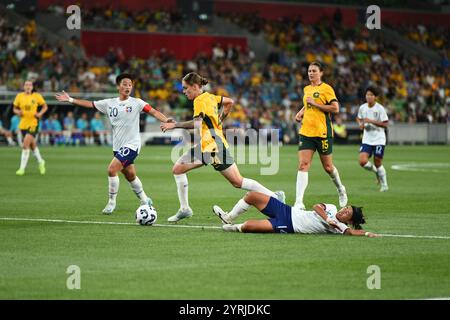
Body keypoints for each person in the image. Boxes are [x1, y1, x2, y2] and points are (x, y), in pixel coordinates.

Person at [161, 72, 285, 222]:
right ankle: (185, 209)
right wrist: (220, 119)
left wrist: (174, 125)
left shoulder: (199, 100)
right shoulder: (211, 97)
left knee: (237, 182)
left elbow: (196, 124)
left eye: (185, 88)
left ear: (195, 86)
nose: (184, 91)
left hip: (213, 146)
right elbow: (229, 102)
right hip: (206, 144)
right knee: (178, 169)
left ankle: (274, 196)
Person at [56, 73, 173, 214]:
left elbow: (153, 111)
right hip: (117, 146)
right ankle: (145, 199)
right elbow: (90, 104)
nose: (128, 87)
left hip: (132, 144)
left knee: (112, 170)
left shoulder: (137, 103)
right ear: (118, 86)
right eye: (125, 84)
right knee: (130, 175)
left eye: (130, 85)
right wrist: (70, 99)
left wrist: (166, 120)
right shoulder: (109, 103)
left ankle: (111, 203)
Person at [294, 61, 347, 210]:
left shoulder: (326, 89)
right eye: (309, 70)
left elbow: (335, 108)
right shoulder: (306, 89)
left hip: (322, 132)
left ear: (321, 73)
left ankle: (340, 189)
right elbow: (308, 103)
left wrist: (315, 104)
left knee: (328, 167)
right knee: (303, 165)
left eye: (314, 71)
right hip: (306, 132)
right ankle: (299, 201)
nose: (311, 73)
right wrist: (301, 111)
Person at [212, 191, 379, 237]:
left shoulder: (340, 227)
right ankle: (228, 218)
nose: (343, 210)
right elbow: (316, 206)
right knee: (251, 195)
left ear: (349, 220)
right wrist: (327, 217)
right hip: (289, 211)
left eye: (347, 212)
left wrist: (367, 233)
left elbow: (351, 232)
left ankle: (234, 227)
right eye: (346, 208)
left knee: (248, 226)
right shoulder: (333, 209)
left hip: (289, 225)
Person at [356, 86, 389, 192]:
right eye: (367, 95)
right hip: (367, 139)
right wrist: (360, 124)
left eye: (371, 95)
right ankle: (376, 172)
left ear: (375, 97)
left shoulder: (380, 109)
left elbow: (386, 124)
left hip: (379, 139)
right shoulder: (362, 107)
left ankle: (384, 185)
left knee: (378, 161)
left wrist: (371, 121)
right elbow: (359, 118)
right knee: (362, 161)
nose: (368, 97)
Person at [13, 80, 48, 176]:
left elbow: (45, 106)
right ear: (23, 86)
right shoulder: (19, 96)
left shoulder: (37, 96)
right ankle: (41, 162)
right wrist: (17, 112)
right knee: (32, 146)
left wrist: (40, 114)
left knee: (25, 145)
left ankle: (21, 169)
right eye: (26, 85)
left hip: (33, 123)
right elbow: (14, 108)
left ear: (32, 87)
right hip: (23, 124)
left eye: (30, 85)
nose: (28, 86)